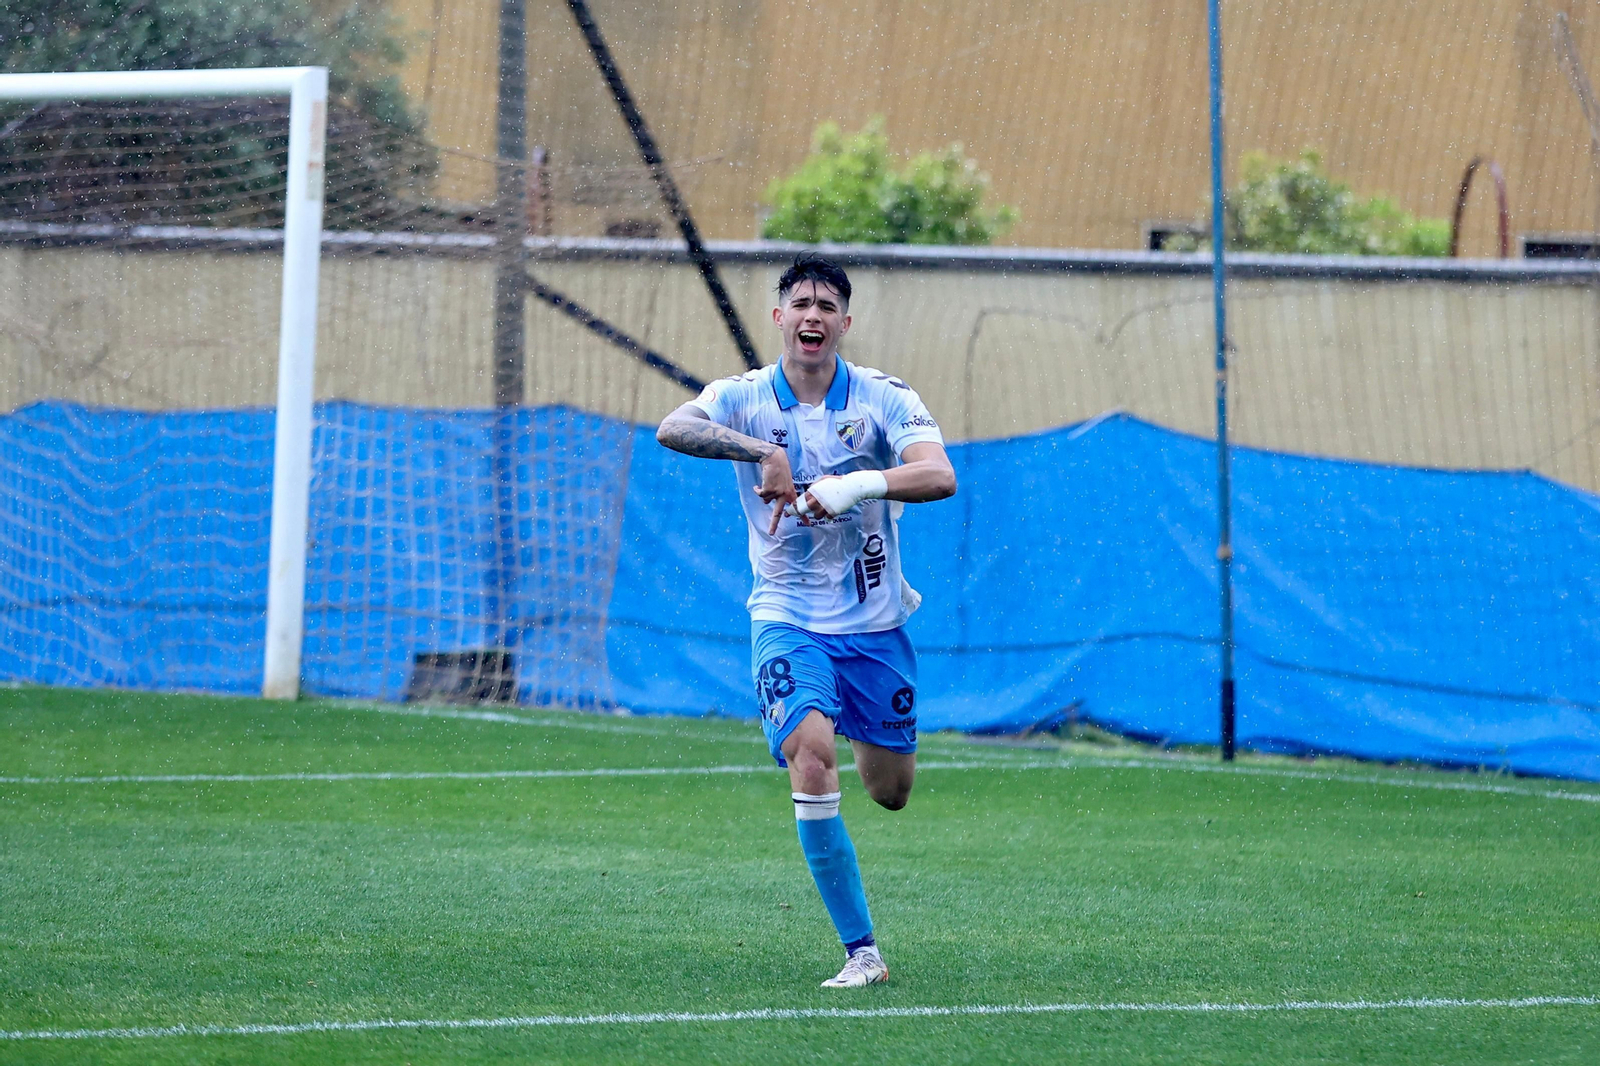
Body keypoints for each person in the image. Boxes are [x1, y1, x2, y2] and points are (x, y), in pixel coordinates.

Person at [655, 254, 957, 988]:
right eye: (800, 303)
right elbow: (673, 426)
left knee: (890, 791)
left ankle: (844, 716)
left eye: (826, 306)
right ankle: (863, 953)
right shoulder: (744, 396)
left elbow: (939, 474)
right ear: (779, 317)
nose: (812, 315)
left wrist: (855, 485)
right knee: (812, 755)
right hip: (785, 615)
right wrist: (762, 450)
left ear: (844, 323)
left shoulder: (884, 397)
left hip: (873, 623)